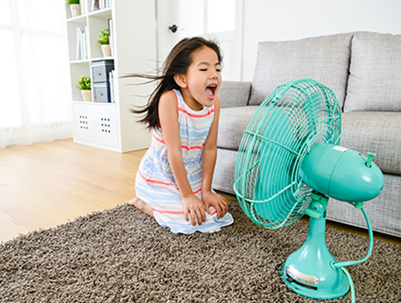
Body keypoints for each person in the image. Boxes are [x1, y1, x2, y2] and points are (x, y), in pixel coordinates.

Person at [127, 37, 234, 234]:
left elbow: (210, 148)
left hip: (190, 172)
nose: (214, 75)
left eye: (217, 69)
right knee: (189, 222)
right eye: (204, 69)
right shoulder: (169, 100)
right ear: (182, 79)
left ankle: (177, 200)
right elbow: (173, 151)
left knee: (213, 214)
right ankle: (142, 202)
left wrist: (206, 191)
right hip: (161, 174)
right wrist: (186, 196)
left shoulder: (215, 103)